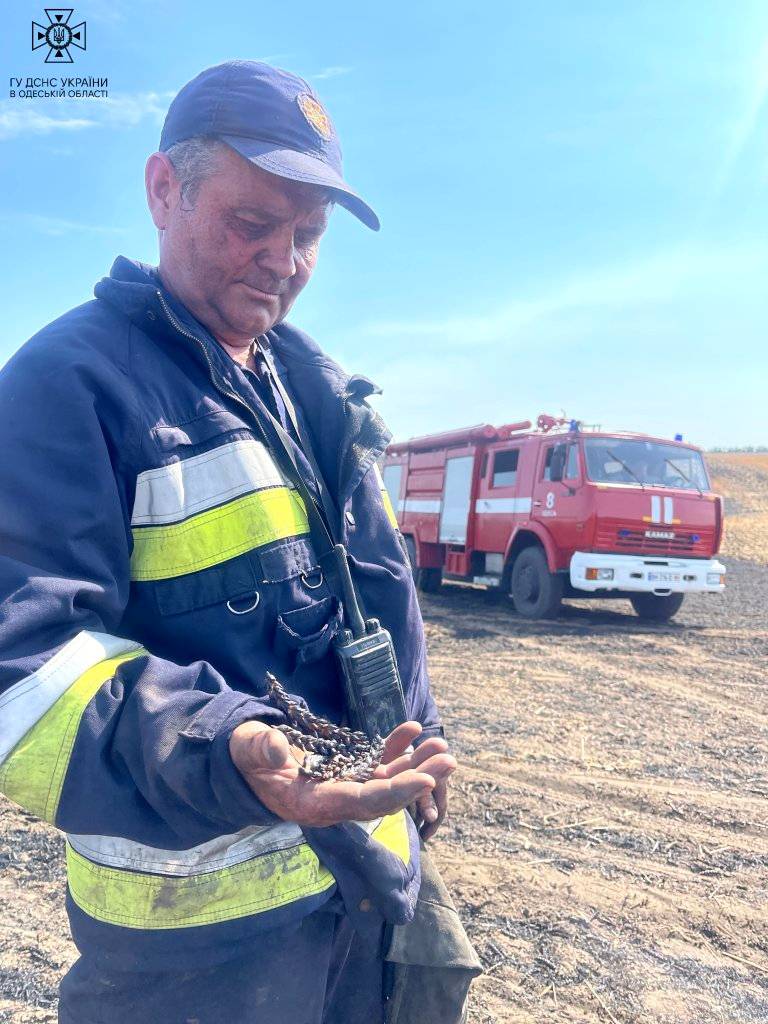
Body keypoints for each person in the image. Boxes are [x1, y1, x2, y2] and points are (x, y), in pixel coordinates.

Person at [0, 61, 479, 1023]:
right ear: (161, 190)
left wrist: (415, 735)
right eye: (252, 223)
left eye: (308, 236)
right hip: (190, 950)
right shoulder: (68, 386)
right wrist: (228, 747)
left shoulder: (315, 392)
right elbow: (25, 672)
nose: (284, 261)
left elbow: (379, 599)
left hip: (357, 890)